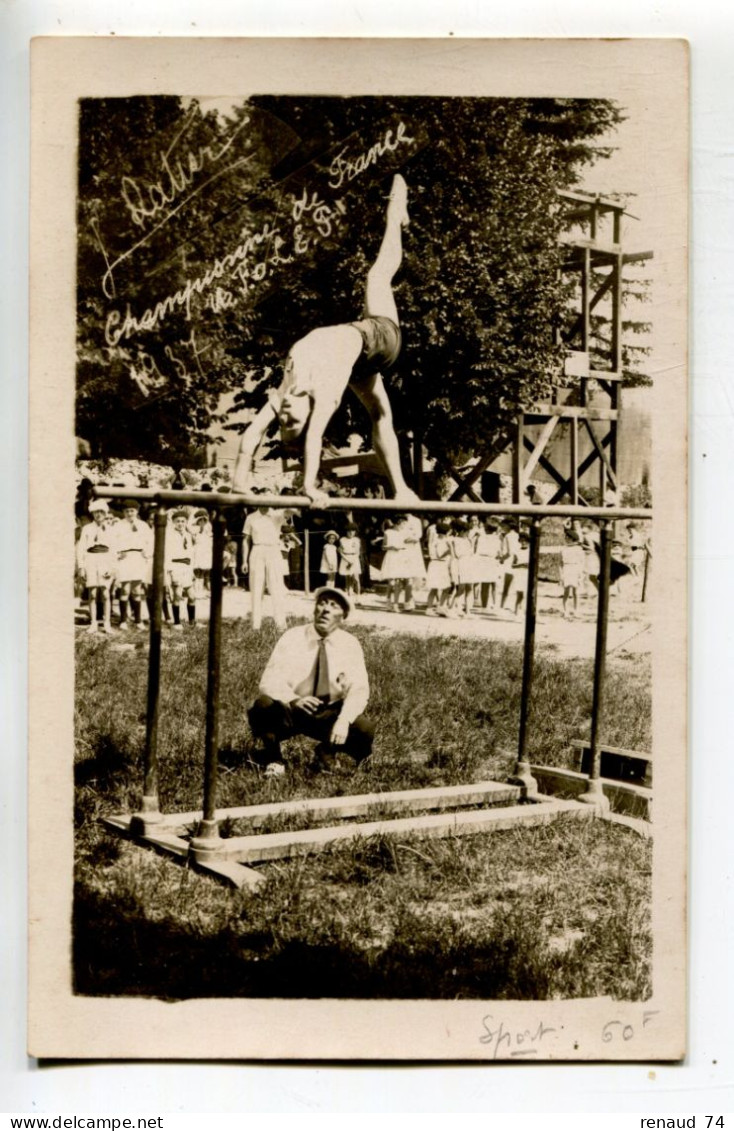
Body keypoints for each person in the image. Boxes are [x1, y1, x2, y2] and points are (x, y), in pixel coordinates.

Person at [232, 174, 418, 505]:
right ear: (310, 412)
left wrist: (240, 481)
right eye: (293, 420)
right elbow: (314, 437)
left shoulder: (287, 392)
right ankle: (396, 209)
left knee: (380, 412)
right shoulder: (326, 393)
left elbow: (252, 435)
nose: (286, 411)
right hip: (381, 337)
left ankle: (402, 489)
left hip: (359, 357)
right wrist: (308, 487)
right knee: (377, 275)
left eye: (283, 418)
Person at [247, 586, 374, 777]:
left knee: (364, 729)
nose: (326, 609)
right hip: (293, 710)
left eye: (333, 606)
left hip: (328, 713)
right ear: (314, 609)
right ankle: (273, 758)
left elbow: (359, 689)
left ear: (343, 616)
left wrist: (343, 720)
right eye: (322, 603)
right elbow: (269, 680)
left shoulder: (350, 644)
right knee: (263, 706)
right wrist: (294, 699)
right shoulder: (292, 637)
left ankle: (327, 752)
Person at [242, 506, 288, 631]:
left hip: (273, 549)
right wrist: (244, 561)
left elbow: (292, 510)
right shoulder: (251, 517)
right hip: (257, 550)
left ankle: (280, 624)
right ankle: (256, 625)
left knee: (276, 587)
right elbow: (246, 540)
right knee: (256, 588)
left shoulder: (277, 515)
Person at [75, 499, 117, 634]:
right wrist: (81, 567)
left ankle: (107, 623)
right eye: (95, 512)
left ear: (105, 513)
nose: (98, 515)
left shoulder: (110, 529)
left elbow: (114, 549)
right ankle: (93, 623)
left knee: (105, 593)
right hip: (91, 560)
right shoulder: (87, 528)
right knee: (92, 594)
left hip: (105, 560)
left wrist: (112, 568)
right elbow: (81, 548)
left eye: (101, 512)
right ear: (92, 514)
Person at [116, 500, 153, 629]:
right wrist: (118, 553)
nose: (129, 513)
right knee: (125, 589)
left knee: (137, 590)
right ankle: (123, 620)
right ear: (123, 512)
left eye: (132, 510)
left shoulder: (143, 525)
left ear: (136, 511)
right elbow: (112, 542)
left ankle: (138, 620)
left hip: (138, 558)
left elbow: (150, 541)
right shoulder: (118, 525)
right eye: (126, 511)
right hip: (125, 558)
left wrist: (146, 553)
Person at [165, 509, 198, 629]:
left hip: (187, 567)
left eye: (183, 521)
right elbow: (167, 554)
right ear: (173, 522)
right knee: (177, 595)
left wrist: (192, 569)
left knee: (192, 596)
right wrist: (171, 572)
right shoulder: (169, 535)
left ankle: (192, 621)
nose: (180, 524)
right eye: (178, 521)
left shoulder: (188, 535)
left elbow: (191, 553)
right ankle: (177, 622)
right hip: (175, 566)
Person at [560, 525, 586, 619]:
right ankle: (565, 611)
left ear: (572, 539)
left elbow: (582, 562)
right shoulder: (563, 550)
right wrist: (561, 575)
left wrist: (581, 573)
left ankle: (576, 610)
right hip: (567, 569)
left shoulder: (579, 549)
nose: (566, 539)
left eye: (568, 538)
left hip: (576, 568)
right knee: (566, 591)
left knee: (576, 591)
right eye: (566, 537)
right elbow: (560, 563)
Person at [338, 524, 363, 603]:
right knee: (348, 578)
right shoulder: (342, 539)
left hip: (354, 559)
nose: (351, 533)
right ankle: (349, 596)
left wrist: (352, 561)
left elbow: (358, 552)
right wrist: (347, 560)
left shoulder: (357, 540)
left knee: (356, 579)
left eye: (353, 531)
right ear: (346, 532)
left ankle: (358, 597)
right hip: (345, 558)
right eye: (349, 531)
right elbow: (340, 551)